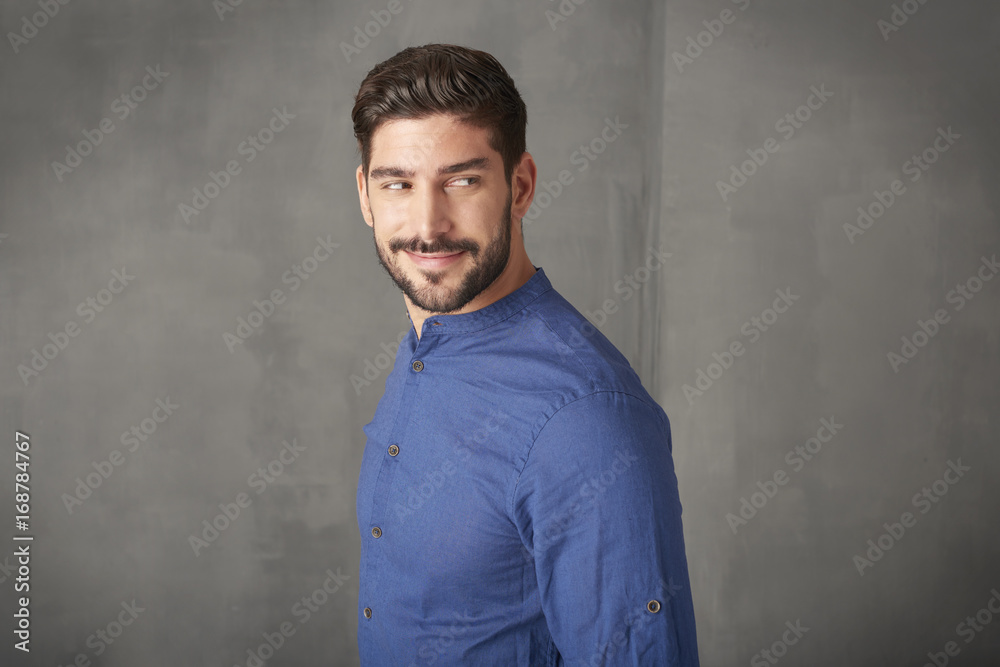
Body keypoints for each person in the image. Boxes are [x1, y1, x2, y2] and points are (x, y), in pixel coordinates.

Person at [351, 43, 700, 666]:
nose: (428, 225)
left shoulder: (586, 419)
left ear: (520, 185)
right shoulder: (430, 343)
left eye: (461, 181)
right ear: (365, 197)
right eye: (398, 184)